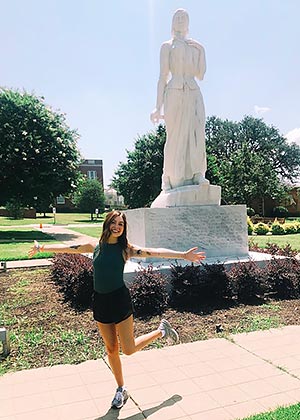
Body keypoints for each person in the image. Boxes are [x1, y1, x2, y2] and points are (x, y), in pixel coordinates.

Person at [29, 210, 206, 409]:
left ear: (124, 228)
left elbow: (153, 251)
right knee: (111, 349)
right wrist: (41, 247)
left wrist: (183, 255)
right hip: (100, 302)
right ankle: (121, 389)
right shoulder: (95, 246)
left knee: (128, 349)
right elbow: (70, 248)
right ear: (107, 224)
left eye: (121, 224)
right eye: (114, 223)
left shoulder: (126, 250)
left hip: (119, 300)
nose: (117, 227)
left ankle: (161, 331)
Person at [150, 9, 208, 191]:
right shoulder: (167, 46)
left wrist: (202, 51)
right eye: (177, 17)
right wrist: (157, 107)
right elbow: (162, 77)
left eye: (184, 18)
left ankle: (198, 173)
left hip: (193, 91)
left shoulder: (195, 46)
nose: (181, 20)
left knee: (197, 134)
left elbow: (201, 75)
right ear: (173, 22)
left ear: (188, 22)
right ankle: (168, 177)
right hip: (174, 92)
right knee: (174, 136)